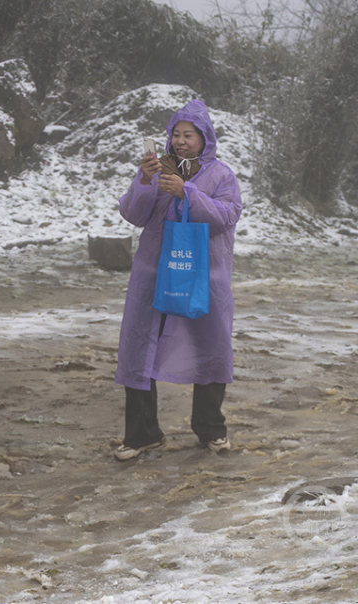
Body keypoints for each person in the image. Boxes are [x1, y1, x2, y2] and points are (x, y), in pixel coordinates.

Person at [113, 99, 242, 461]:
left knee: (211, 347)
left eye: (189, 134)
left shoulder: (221, 175)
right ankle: (142, 434)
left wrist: (188, 192)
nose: (181, 141)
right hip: (154, 275)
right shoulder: (158, 168)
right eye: (176, 133)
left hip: (203, 275)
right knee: (140, 347)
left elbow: (226, 216)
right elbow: (133, 213)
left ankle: (210, 429)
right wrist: (144, 180)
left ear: (205, 138)